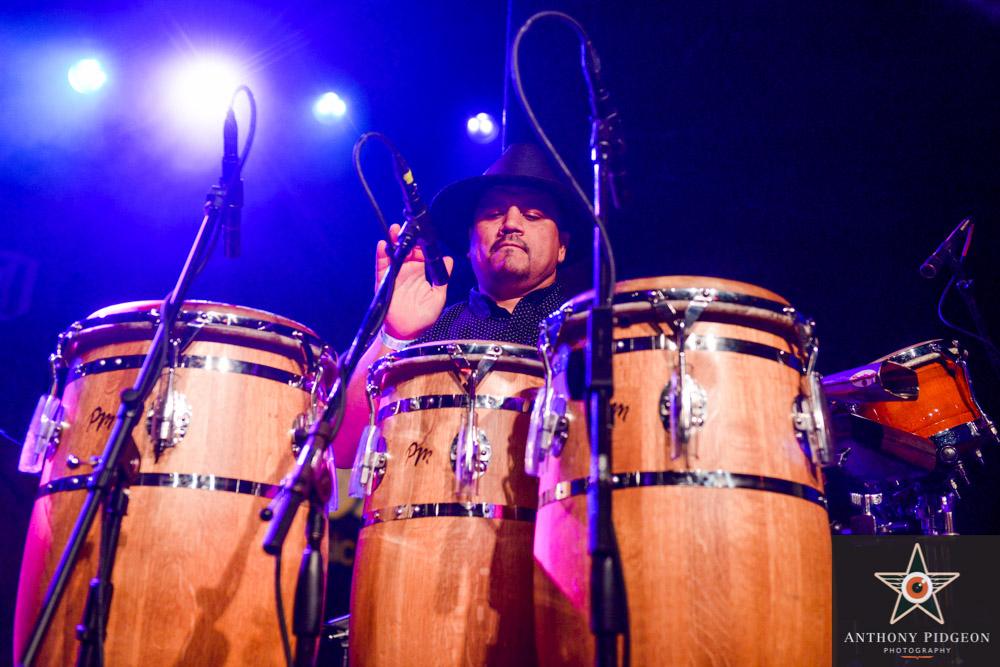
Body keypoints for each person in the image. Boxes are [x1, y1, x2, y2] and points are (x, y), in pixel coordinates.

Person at [331, 143, 591, 467]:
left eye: (532, 215)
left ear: (562, 247)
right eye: (494, 213)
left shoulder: (586, 329)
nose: (511, 223)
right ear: (470, 241)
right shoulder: (432, 332)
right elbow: (343, 450)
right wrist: (395, 336)